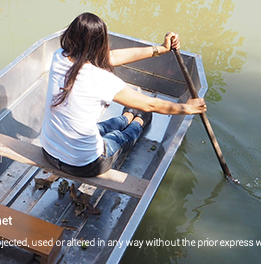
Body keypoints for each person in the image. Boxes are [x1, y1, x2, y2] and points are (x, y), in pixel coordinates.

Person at [40, 12, 207, 177]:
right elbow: (150, 104)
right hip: (84, 165)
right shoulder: (98, 78)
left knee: (101, 129)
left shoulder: (59, 56)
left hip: (49, 152)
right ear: (99, 44)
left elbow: (111, 57)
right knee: (118, 137)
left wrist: (161, 49)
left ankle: (125, 118)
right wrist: (188, 108)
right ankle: (138, 122)